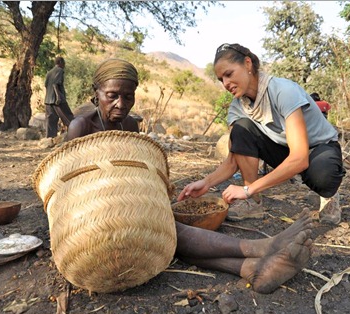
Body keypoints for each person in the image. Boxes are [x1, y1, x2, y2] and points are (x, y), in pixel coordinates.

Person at [65, 57, 314, 294]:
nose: (120, 103)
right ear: (96, 92)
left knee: (165, 239)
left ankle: (252, 270)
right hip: (90, 223)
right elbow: (66, 186)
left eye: (128, 97)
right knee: (167, 229)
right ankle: (261, 247)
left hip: (126, 209)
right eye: (112, 96)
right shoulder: (81, 126)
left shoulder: (129, 125)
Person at [178, 43, 346, 225]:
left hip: (318, 149)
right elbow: (234, 159)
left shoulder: (283, 91)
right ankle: (253, 202)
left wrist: (246, 189)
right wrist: (206, 183)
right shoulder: (237, 106)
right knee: (241, 129)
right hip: (283, 149)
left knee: (323, 176)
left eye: (229, 74)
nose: (225, 84)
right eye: (221, 79)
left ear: (248, 64)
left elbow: (300, 158)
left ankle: (330, 196)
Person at [44, 56, 74, 138]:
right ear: (60, 63)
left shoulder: (49, 72)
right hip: (57, 100)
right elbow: (55, 84)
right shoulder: (60, 70)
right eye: (64, 63)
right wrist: (58, 97)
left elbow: (46, 85)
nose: (64, 65)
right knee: (69, 117)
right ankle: (75, 135)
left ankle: (50, 138)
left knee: (51, 121)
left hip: (48, 100)